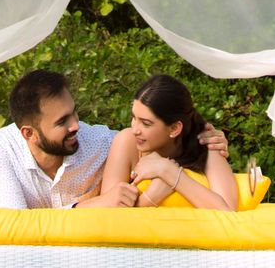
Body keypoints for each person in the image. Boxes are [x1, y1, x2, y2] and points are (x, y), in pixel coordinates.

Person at [0, 69, 228, 209]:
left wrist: (202, 138)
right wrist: (90, 206)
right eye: (62, 121)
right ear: (28, 134)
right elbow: (15, 230)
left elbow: (148, 138)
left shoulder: (99, 142)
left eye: (74, 112)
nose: (76, 125)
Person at [100, 74, 239, 211]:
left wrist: (169, 172)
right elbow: (108, 212)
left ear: (174, 128)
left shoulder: (207, 143)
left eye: (146, 123)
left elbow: (228, 211)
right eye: (134, 118)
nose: (135, 129)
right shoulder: (127, 142)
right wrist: (149, 199)